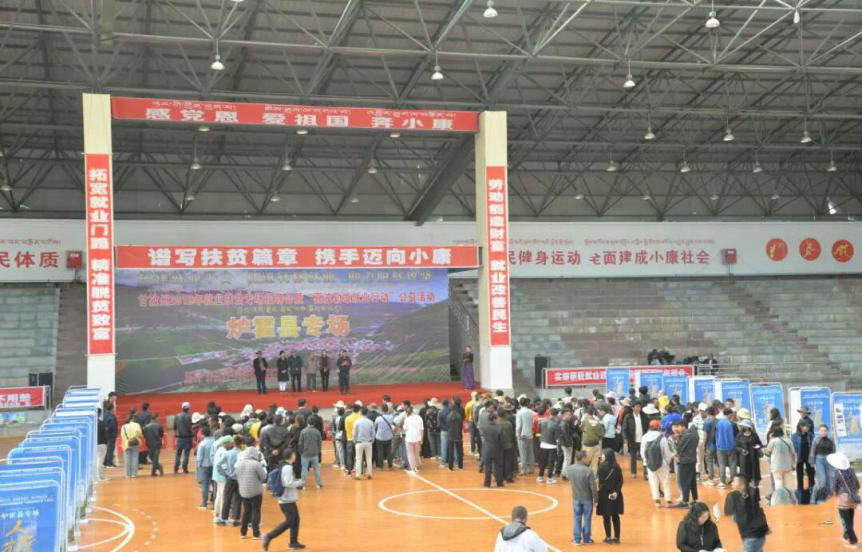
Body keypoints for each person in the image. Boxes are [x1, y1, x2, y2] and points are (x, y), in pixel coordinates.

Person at [262, 449, 305, 551]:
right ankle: (269, 536)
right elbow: (287, 483)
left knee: (295, 520)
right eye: (294, 454)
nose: (295, 456)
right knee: (290, 521)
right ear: (291, 456)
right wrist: (299, 482)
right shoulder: (288, 468)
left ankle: (293, 542)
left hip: (287, 499)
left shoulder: (283, 466)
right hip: (286, 500)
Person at [724, 475, 769, 552]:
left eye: (734, 481)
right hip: (758, 535)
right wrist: (765, 528)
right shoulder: (749, 496)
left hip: (751, 537)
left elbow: (731, 513)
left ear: (742, 485)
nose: (732, 483)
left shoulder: (740, 499)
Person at [565, 450, 597, 545]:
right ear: (583, 458)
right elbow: (593, 487)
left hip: (576, 497)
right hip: (587, 499)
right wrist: (596, 499)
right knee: (587, 518)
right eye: (587, 457)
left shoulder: (569, 469)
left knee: (577, 518)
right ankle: (587, 539)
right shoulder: (588, 471)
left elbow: (568, 478)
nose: (589, 459)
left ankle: (577, 539)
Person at [235, 444, 267, 539]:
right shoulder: (256, 464)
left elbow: (236, 475)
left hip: (244, 491)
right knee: (256, 511)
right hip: (256, 491)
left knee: (246, 512)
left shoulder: (239, 464)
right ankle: (256, 533)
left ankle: (243, 533)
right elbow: (264, 477)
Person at [829, 452, 860, 547]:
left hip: (843, 498)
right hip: (853, 497)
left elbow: (834, 488)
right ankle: (846, 536)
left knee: (846, 521)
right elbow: (857, 484)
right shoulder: (852, 470)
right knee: (850, 519)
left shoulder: (836, 472)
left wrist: (836, 494)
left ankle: (853, 540)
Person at [642, 419, 673, 508]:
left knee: (653, 482)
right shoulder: (662, 438)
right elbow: (666, 452)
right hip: (662, 463)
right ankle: (668, 501)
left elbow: (642, 452)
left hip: (650, 464)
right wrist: (667, 463)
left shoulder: (644, 437)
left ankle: (657, 501)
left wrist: (646, 462)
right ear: (659, 427)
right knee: (666, 482)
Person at [596, 448, 624, 544]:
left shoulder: (601, 467)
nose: (602, 456)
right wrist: (615, 492)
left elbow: (602, 482)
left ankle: (608, 537)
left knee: (606, 517)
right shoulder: (617, 467)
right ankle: (616, 538)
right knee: (615, 516)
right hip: (616, 495)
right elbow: (620, 481)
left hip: (604, 495)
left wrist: (609, 492)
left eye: (603, 454)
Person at [763, 427, 796, 504]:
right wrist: (793, 464)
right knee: (788, 484)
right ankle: (791, 500)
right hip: (787, 465)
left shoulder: (773, 441)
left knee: (778, 483)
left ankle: (780, 500)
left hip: (776, 466)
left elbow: (767, 451)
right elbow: (793, 453)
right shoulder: (788, 441)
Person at [674, 419, 699, 507]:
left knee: (684, 481)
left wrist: (677, 439)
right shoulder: (695, 434)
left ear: (683, 426)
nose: (678, 429)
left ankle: (684, 501)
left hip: (685, 461)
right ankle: (695, 499)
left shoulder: (686, 436)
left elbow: (679, 448)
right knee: (692, 481)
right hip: (692, 459)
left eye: (678, 427)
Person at [811, 424, 836, 504]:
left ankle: (826, 497)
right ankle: (817, 498)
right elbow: (812, 452)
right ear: (819, 431)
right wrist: (812, 463)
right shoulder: (816, 440)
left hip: (829, 461)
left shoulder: (831, 440)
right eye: (821, 431)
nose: (823, 432)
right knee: (822, 481)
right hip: (819, 460)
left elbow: (834, 451)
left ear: (827, 431)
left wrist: (834, 462)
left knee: (829, 481)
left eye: (825, 431)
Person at [792, 420, 816, 504]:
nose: (807, 428)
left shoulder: (810, 435)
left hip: (809, 457)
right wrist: (794, 458)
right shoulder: (794, 436)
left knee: (811, 473)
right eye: (806, 426)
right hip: (799, 457)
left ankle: (812, 488)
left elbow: (813, 446)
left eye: (808, 426)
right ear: (800, 427)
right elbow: (793, 448)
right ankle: (800, 490)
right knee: (799, 474)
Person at [736, 420, 762, 490]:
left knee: (754, 472)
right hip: (744, 458)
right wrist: (742, 450)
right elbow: (736, 446)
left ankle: (754, 487)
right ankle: (746, 489)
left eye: (745, 425)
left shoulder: (754, 435)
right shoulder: (739, 435)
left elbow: (759, 444)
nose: (743, 427)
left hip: (753, 457)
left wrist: (757, 447)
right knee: (745, 474)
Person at [622, 402, 645, 480]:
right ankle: (633, 472)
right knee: (633, 458)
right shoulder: (628, 417)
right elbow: (624, 428)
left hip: (643, 440)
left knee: (644, 457)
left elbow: (647, 426)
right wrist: (625, 439)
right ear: (633, 408)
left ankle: (646, 473)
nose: (638, 408)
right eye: (637, 406)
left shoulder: (643, 416)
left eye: (639, 406)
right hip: (632, 440)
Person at [714, 408, 737, 488]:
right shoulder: (732, 424)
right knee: (732, 464)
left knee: (721, 464)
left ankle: (722, 481)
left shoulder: (718, 423)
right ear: (730, 414)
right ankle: (733, 480)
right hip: (731, 447)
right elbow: (736, 435)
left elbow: (715, 434)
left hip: (720, 447)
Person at [298, 418, 323, 488]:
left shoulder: (303, 431)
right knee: (316, 469)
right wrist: (318, 451)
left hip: (305, 453)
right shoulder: (317, 431)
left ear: (307, 422)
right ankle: (318, 484)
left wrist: (300, 451)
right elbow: (320, 442)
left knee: (304, 469)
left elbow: (300, 443)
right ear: (314, 423)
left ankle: (303, 484)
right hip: (314, 453)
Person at [537, 408, 560, 484]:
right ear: (556, 415)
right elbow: (557, 437)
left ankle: (540, 476)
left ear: (550, 413)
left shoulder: (542, 422)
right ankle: (549, 478)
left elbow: (539, 432)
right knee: (551, 462)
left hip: (543, 444)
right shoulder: (555, 424)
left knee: (543, 461)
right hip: (552, 446)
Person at [196, 426, 215, 510]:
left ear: (202, 434)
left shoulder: (202, 444)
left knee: (205, 484)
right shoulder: (215, 441)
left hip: (204, 465)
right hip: (213, 465)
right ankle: (215, 502)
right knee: (214, 484)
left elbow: (199, 457)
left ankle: (204, 503)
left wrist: (199, 466)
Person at [516, 397, 536, 475]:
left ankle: (523, 470)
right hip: (530, 434)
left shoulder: (519, 412)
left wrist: (518, 434)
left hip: (522, 435)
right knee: (530, 453)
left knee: (523, 453)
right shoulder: (531, 412)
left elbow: (519, 426)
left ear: (520, 403)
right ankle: (532, 469)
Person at [353, 407, 375, 480]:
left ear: (360, 412)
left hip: (359, 442)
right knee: (369, 458)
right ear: (367, 413)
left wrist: (354, 440)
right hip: (368, 442)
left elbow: (354, 433)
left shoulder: (357, 422)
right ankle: (369, 474)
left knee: (358, 459)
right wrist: (372, 440)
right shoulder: (370, 422)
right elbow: (373, 433)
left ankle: (358, 475)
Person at [581, 407, 605, 474]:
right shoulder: (598, 421)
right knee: (595, 462)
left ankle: (586, 475)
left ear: (586, 413)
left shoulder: (585, 420)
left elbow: (581, 428)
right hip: (596, 444)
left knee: (586, 461)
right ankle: (594, 475)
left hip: (587, 444)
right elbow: (601, 433)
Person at [174, 401, 194, 474]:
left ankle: (176, 467)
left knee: (178, 453)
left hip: (179, 438)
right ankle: (185, 468)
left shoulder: (177, 416)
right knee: (186, 454)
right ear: (188, 408)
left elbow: (174, 427)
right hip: (188, 437)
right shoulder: (190, 416)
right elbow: (191, 427)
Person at [120, 414, 143, 478]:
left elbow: (122, 436)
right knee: (135, 458)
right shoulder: (137, 425)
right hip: (135, 442)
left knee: (127, 459)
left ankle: (127, 474)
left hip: (126, 443)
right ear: (133, 419)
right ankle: (134, 474)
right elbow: (140, 433)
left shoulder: (123, 426)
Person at [403, 406, 424, 472]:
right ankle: (417, 466)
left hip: (409, 439)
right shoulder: (419, 418)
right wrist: (421, 439)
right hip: (417, 438)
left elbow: (405, 429)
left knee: (410, 454)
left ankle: (413, 468)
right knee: (417, 453)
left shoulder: (407, 419)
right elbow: (422, 429)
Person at [447, 399, 464, 470]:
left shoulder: (448, 416)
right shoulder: (459, 416)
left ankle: (450, 466)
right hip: (458, 435)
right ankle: (460, 466)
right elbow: (461, 426)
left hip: (450, 435)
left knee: (450, 451)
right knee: (459, 451)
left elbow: (448, 425)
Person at [102, 401, 118, 468]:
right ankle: (109, 463)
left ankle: (106, 462)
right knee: (110, 449)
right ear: (111, 408)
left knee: (109, 449)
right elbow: (111, 426)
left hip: (107, 435)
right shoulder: (110, 417)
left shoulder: (105, 415)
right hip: (111, 435)